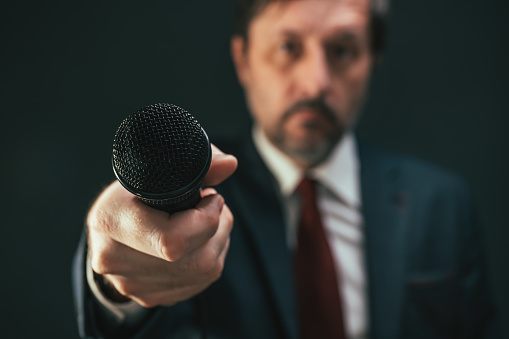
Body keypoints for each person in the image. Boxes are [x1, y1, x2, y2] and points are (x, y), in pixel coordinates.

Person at [73, 0, 498, 338]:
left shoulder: (443, 203)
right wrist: (115, 285)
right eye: (288, 47)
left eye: (343, 50)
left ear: (374, 61)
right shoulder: (186, 205)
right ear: (243, 60)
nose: (315, 82)